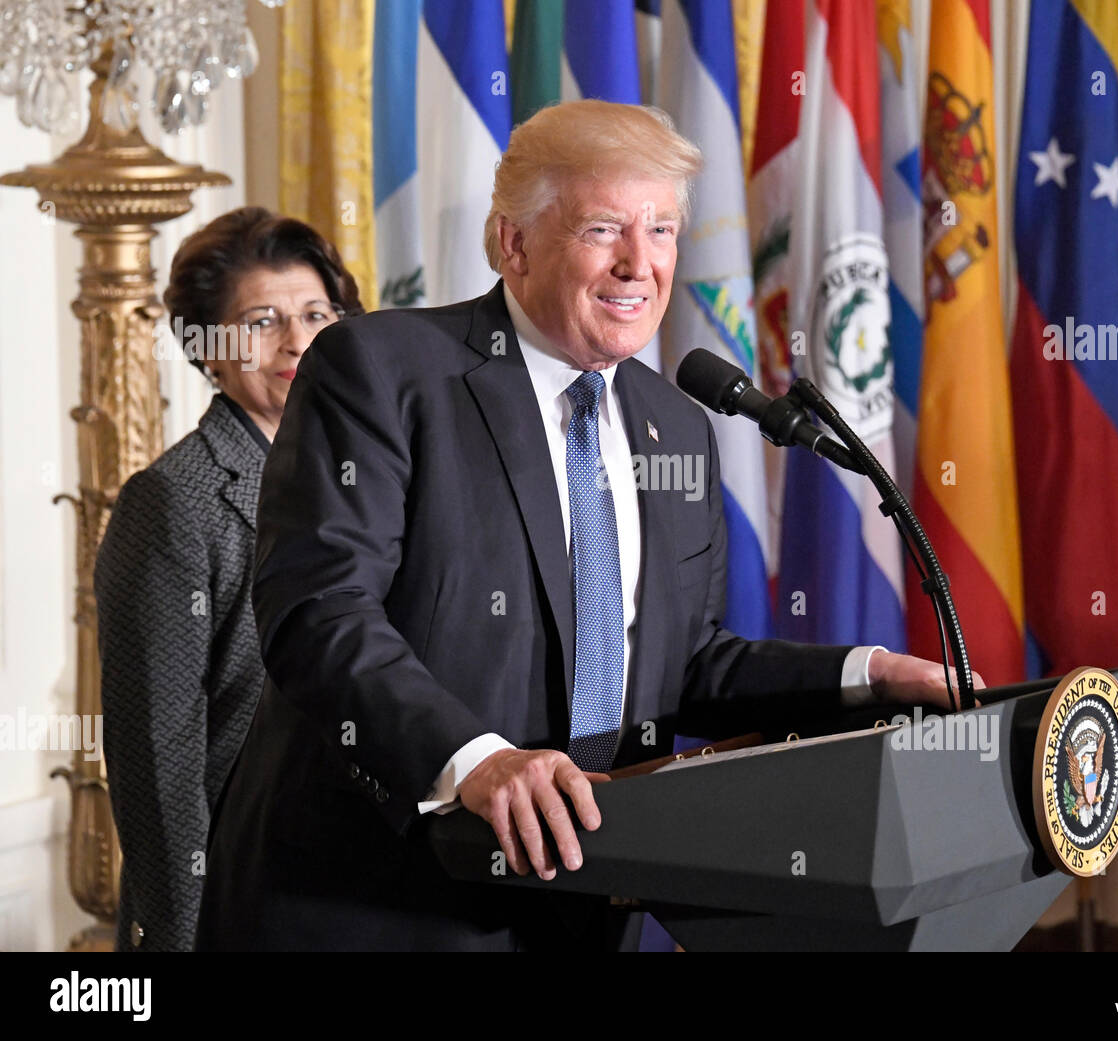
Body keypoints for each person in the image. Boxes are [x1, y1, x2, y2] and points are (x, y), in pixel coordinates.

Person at [195, 101, 983, 952]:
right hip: (377, 905)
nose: (638, 264)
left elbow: (684, 664)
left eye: (663, 230)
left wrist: (867, 679)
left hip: (579, 897)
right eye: (603, 227)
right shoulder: (382, 371)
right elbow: (320, 611)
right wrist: (475, 759)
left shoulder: (676, 425)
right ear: (513, 242)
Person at [94, 207, 361, 952]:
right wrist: (186, 937)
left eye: (316, 313)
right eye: (262, 320)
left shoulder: (368, 476)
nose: (298, 340)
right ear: (208, 349)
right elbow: (158, 757)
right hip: (234, 899)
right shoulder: (171, 501)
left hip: (359, 889)